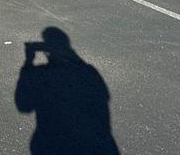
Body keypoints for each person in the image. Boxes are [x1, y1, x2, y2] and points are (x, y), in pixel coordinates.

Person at [15, 27, 120, 155]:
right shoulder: (89, 71)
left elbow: (23, 106)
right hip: (98, 144)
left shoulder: (41, 74)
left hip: (52, 142)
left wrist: (28, 61)